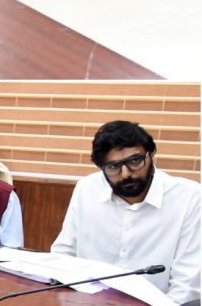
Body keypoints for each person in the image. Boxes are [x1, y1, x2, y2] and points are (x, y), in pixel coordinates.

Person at [51, 121, 200, 303]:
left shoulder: (189, 197)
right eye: (113, 166)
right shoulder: (87, 188)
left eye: (135, 161)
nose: (126, 174)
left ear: (151, 154)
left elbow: (187, 286)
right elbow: (64, 254)